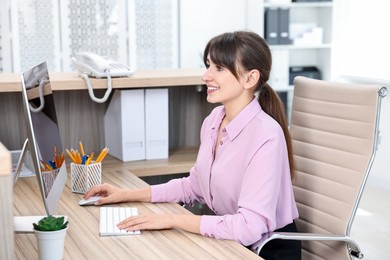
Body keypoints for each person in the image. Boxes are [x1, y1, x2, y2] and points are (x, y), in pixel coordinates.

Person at [84, 31, 301, 259]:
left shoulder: (266, 135)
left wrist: (172, 220)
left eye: (219, 68)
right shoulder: (214, 120)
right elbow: (194, 186)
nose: (206, 75)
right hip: (231, 243)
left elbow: (249, 227)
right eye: (208, 65)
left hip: (266, 250)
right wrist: (127, 194)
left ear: (250, 78)